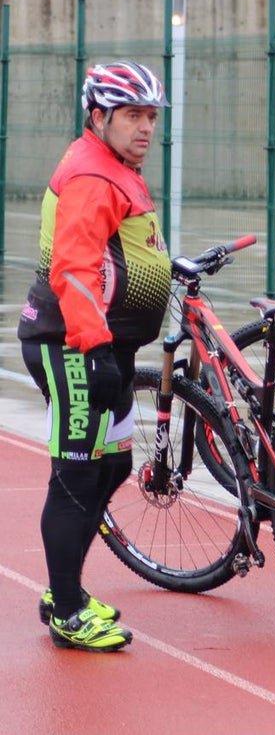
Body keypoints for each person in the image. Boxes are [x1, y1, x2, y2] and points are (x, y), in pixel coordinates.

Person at [17, 61, 172, 652]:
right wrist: (98, 350)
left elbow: (125, 249)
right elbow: (75, 271)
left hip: (109, 345)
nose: (145, 128)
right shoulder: (90, 174)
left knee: (113, 466)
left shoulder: (117, 166)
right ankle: (66, 607)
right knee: (78, 474)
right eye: (133, 115)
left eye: (151, 116)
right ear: (99, 116)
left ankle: (67, 592)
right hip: (72, 343)